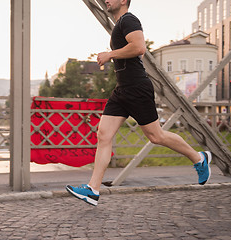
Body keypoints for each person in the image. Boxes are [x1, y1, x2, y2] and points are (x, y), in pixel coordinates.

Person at [66, 0, 212, 206]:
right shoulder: (120, 24)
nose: (106, 0)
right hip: (122, 90)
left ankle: (199, 158)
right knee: (103, 135)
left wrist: (110, 54)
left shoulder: (129, 19)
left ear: (124, 0)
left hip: (137, 88)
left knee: (156, 136)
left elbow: (139, 47)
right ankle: (93, 190)